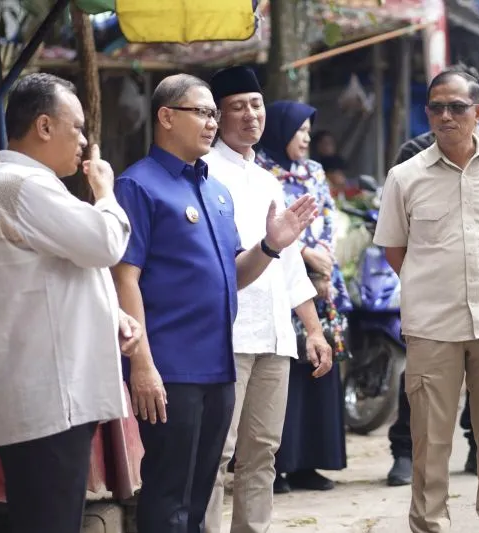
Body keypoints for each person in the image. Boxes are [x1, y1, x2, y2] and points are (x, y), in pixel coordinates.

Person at [111, 74, 317, 533]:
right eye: (201, 113)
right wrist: (141, 363)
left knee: (202, 490)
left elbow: (232, 274)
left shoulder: (214, 190)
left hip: (219, 365)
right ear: (166, 117)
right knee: (169, 495)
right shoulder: (138, 185)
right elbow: (125, 277)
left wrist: (269, 246)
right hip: (171, 368)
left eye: (211, 114)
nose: (211, 123)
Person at [0, 72, 142, 533]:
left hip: (50, 398)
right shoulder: (22, 185)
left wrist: (114, 316)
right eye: (78, 127)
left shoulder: (23, 183)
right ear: (44, 127)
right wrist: (106, 192)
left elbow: (62, 274)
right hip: (48, 400)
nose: (85, 142)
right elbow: (105, 243)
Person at [374, 67, 479, 533]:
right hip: (432, 328)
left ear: (478, 112)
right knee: (429, 446)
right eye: (436, 107)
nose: (445, 116)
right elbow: (395, 250)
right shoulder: (404, 176)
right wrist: (433, 286)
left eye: (457, 107)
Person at [201, 66, 333, 533]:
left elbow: (291, 262)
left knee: (262, 454)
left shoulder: (268, 180)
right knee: (216, 453)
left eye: (255, 105)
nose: (250, 115)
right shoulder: (204, 175)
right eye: (237, 107)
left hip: (275, 337)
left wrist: (313, 330)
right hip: (228, 336)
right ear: (216, 116)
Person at [256, 101, 352, 494]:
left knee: (320, 370)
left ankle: (310, 463)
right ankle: (278, 466)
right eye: (301, 131)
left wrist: (325, 260)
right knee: (287, 378)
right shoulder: (262, 171)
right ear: (282, 131)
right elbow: (264, 229)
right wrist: (306, 257)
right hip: (282, 278)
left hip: (321, 285)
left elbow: (327, 216)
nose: (308, 138)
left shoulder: (313, 170)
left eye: (310, 131)